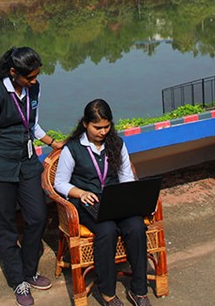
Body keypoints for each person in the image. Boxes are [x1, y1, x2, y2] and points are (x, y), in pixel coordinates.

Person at [0, 46, 61, 306]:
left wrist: (53, 142)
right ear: (12, 72)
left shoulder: (33, 89)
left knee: (37, 217)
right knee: (6, 228)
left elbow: (32, 123)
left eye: (36, 76)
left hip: (27, 163)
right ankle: (18, 281)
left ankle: (29, 270)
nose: (34, 81)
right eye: (29, 77)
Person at [54, 99, 151, 306]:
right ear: (85, 124)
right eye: (97, 127)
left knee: (136, 226)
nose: (103, 132)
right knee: (106, 230)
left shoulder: (116, 143)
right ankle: (107, 293)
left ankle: (139, 290)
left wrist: (129, 194)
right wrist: (79, 193)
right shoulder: (73, 149)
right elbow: (59, 183)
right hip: (88, 202)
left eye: (107, 127)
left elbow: (126, 175)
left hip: (116, 199)